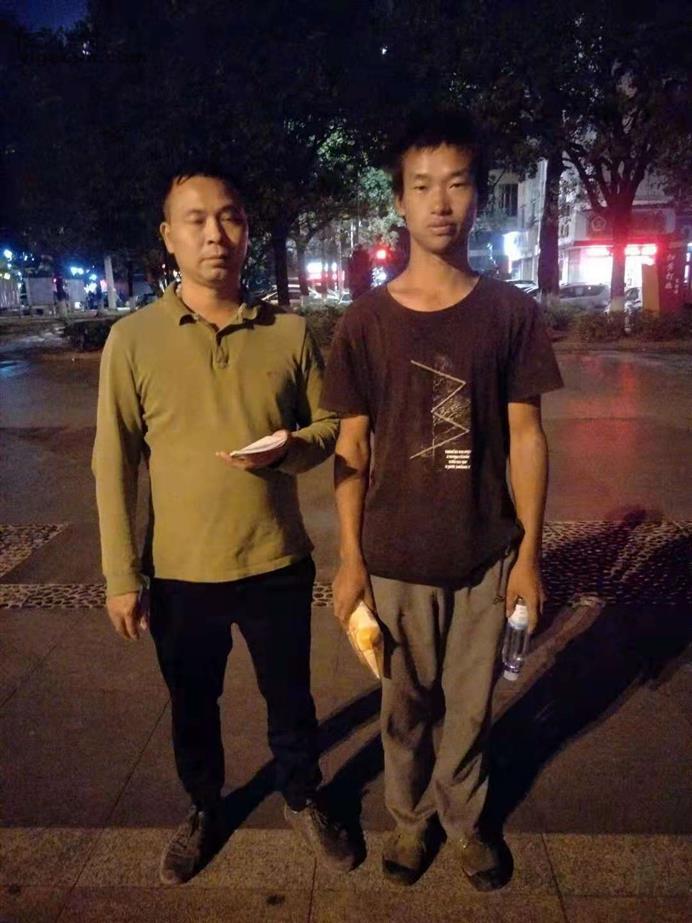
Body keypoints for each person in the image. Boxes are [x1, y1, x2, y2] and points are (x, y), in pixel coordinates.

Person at [92, 166, 355, 885]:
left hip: (276, 562)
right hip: (180, 572)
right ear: (168, 237)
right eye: (197, 219)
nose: (216, 234)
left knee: (291, 698)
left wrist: (289, 447)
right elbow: (113, 463)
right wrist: (121, 575)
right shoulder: (133, 340)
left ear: (247, 230)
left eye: (230, 217)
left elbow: (330, 425)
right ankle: (204, 807)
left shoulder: (288, 332)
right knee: (192, 705)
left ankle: (301, 796)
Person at [321, 111, 563, 890]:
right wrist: (349, 560)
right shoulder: (365, 322)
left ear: (477, 195)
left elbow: (526, 436)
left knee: (471, 707)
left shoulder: (511, 314)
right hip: (394, 558)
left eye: (456, 183)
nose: (440, 201)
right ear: (399, 200)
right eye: (422, 186)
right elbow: (351, 448)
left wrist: (528, 556)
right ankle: (409, 818)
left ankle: (465, 822)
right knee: (403, 708)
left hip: (485, 554)